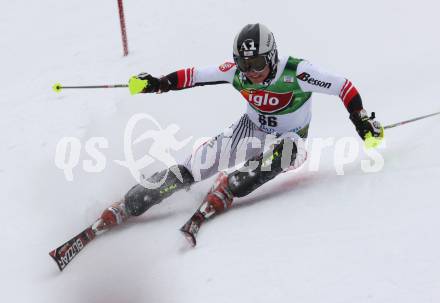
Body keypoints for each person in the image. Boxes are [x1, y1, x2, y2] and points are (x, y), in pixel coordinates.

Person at [94, 23, 384, 246]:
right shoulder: (236, 73)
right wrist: (158, 83)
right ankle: (130, 203)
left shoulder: (297, 72)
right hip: (250, 130)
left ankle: (230, 186)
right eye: (245, 65)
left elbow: (343, 86)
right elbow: (194, 76)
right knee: (191, 169)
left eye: (258, 63)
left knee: (287, 151)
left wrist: (360, 120)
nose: (252, 72)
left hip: (291, 139)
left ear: (272, 55)